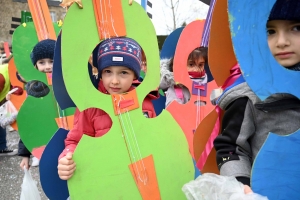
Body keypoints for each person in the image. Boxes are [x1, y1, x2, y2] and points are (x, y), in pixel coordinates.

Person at [213, 0, 300, 194]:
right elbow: (232, 148)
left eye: (295, 28)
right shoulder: (247, 96)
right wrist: (241, 185)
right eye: (270, 31)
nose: (282, 41)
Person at [57, 37, 157, 180]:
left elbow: (153, 139)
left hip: (137, 178)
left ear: (135, 74)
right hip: (105, 177)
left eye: (123, 73)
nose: (114, 81)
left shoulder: (144, 102)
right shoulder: (90, 106)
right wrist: (67, 159)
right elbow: (75, 141)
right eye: (108, 72)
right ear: (100, 73)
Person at [17, 39, 55, 169]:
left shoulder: (65, 84)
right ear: (36, 66)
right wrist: (25, 154)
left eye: (51, 61)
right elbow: (29, 123)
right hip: (45, 139)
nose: (47, 66)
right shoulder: (34, 89)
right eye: (42, 62)